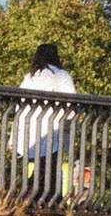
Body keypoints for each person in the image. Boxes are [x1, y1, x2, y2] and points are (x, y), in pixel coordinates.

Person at [13, 39, 78, 193]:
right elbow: (71, 102)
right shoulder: (60, 75)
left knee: (44, 169)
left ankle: (34, 197)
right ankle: (35, 197)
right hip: (51, 129)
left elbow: (19, 105)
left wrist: (13, 136)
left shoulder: (29, 77)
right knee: (49, 169)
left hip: (28, 130)